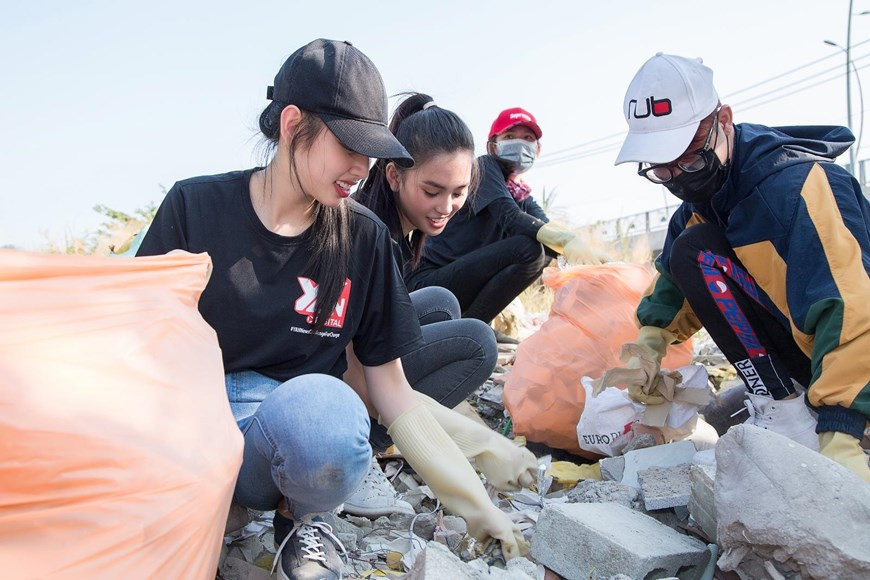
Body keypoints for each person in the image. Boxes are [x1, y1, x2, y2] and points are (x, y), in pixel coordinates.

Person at [136, 39, 537, 580]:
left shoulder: (361, 238)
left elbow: (390, 389)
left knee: (327, 411)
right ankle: (207, 506)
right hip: (195, 427)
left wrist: (473, 492)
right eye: (348, 145)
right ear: (292, 123)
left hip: (285, 433)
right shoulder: (196, 208)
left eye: (369, 150)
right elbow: (141, 347)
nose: (361, 167)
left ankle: (304, 518)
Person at [609, 52, 870, 482]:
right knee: (693, 250)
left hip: (860, 369)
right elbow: (673, 285)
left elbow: (852, 310)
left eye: (689, 159)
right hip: (812, 361)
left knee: (699, 251)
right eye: (662, 167)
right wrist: (649, 348)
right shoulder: (705, 202)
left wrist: (841, 429)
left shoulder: (796, 189)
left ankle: (819, 424)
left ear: (724, 121)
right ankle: (786, 411)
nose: (678, 176)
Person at [344, 92, 498, 517]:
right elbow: (352, 358)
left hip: (358, 367)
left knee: (440, 302)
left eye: (457, 192)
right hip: (336, 381)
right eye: (432, 191)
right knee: (478, 342)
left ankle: (399, 433)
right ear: (394, 176)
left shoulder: (395, 230)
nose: (444, 207)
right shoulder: (372, 236)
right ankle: (365, 451)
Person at [406, 107, 609, 332]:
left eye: (528, 138)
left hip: (460, 286)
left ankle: (473, 325)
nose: (520, 144)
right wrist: (565, 240)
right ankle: (470, 328)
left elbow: (547, 232)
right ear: (492, 146)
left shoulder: (521, 195)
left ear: (538, 149)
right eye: (509, 137)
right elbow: (510, 217)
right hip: (427, 285)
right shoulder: (483, 168)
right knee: (529, 249)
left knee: (541, 248)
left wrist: (593, 263)